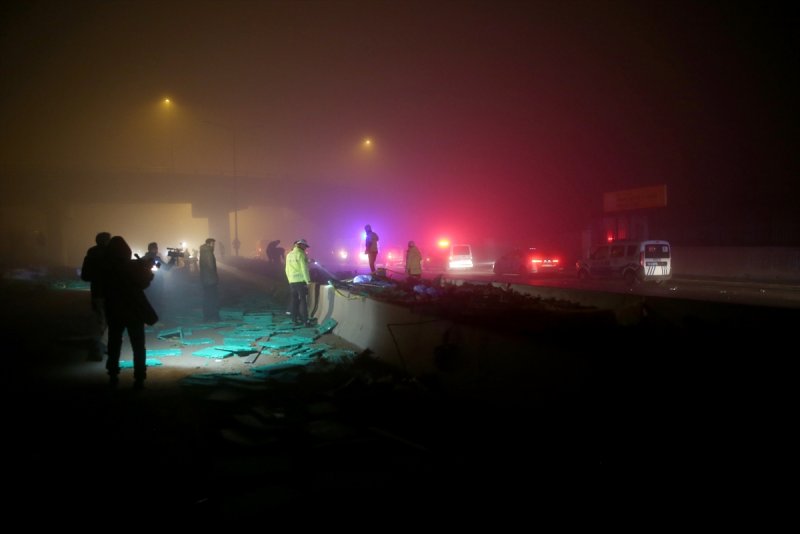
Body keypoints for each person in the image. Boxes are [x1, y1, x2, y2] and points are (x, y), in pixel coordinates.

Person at [103, 235, 157, 389]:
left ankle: (113, 374)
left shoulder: (106, 268)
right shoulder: (132, 266)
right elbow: (144, 283)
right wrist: (146, 270)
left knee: (114, 343)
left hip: (113, 310)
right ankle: (139, 377)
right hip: (133, 310)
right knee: (138, 345)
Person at [80, 231, 111, 361]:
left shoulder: (91, 254)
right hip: (111, 292)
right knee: (111, 321)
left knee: (100, 321)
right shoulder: (112, 254)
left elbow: (85, 276)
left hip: (97, 292)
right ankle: (102, 347)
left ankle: (101, 346)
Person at [141, 242, 175, 319]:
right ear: (154, 249)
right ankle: (156, 319)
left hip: (145, 284)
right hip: (156, 283)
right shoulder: (156, 259)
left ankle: (147, 318)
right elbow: (166, 268)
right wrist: (173, 258)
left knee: (148, 301)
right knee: (157, 301)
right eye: (156, 248)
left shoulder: (143, 259)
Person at [285, 238, 312, 326]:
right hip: (300, 280)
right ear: (300, 245)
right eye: (305, 246)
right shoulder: (301, 254)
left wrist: (290, 280)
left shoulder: (289, 254)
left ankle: (294, 320)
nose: (305, 248)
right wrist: (308, 281)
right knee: (303, 301)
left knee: (294, 300)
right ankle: (305, 321)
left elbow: (287, 269)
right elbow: (304, 269)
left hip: (292, 281)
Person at [199, 237, 220, 321]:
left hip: (205, 279)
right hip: (210, 279)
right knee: (212, 298)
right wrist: (215, 277)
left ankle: (207, 316)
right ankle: (214, 316)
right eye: (213, 244)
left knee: (207, 298)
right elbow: (211, 266)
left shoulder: (203, 251)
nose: (214, 246)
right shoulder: (208, 252)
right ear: (209, 244)